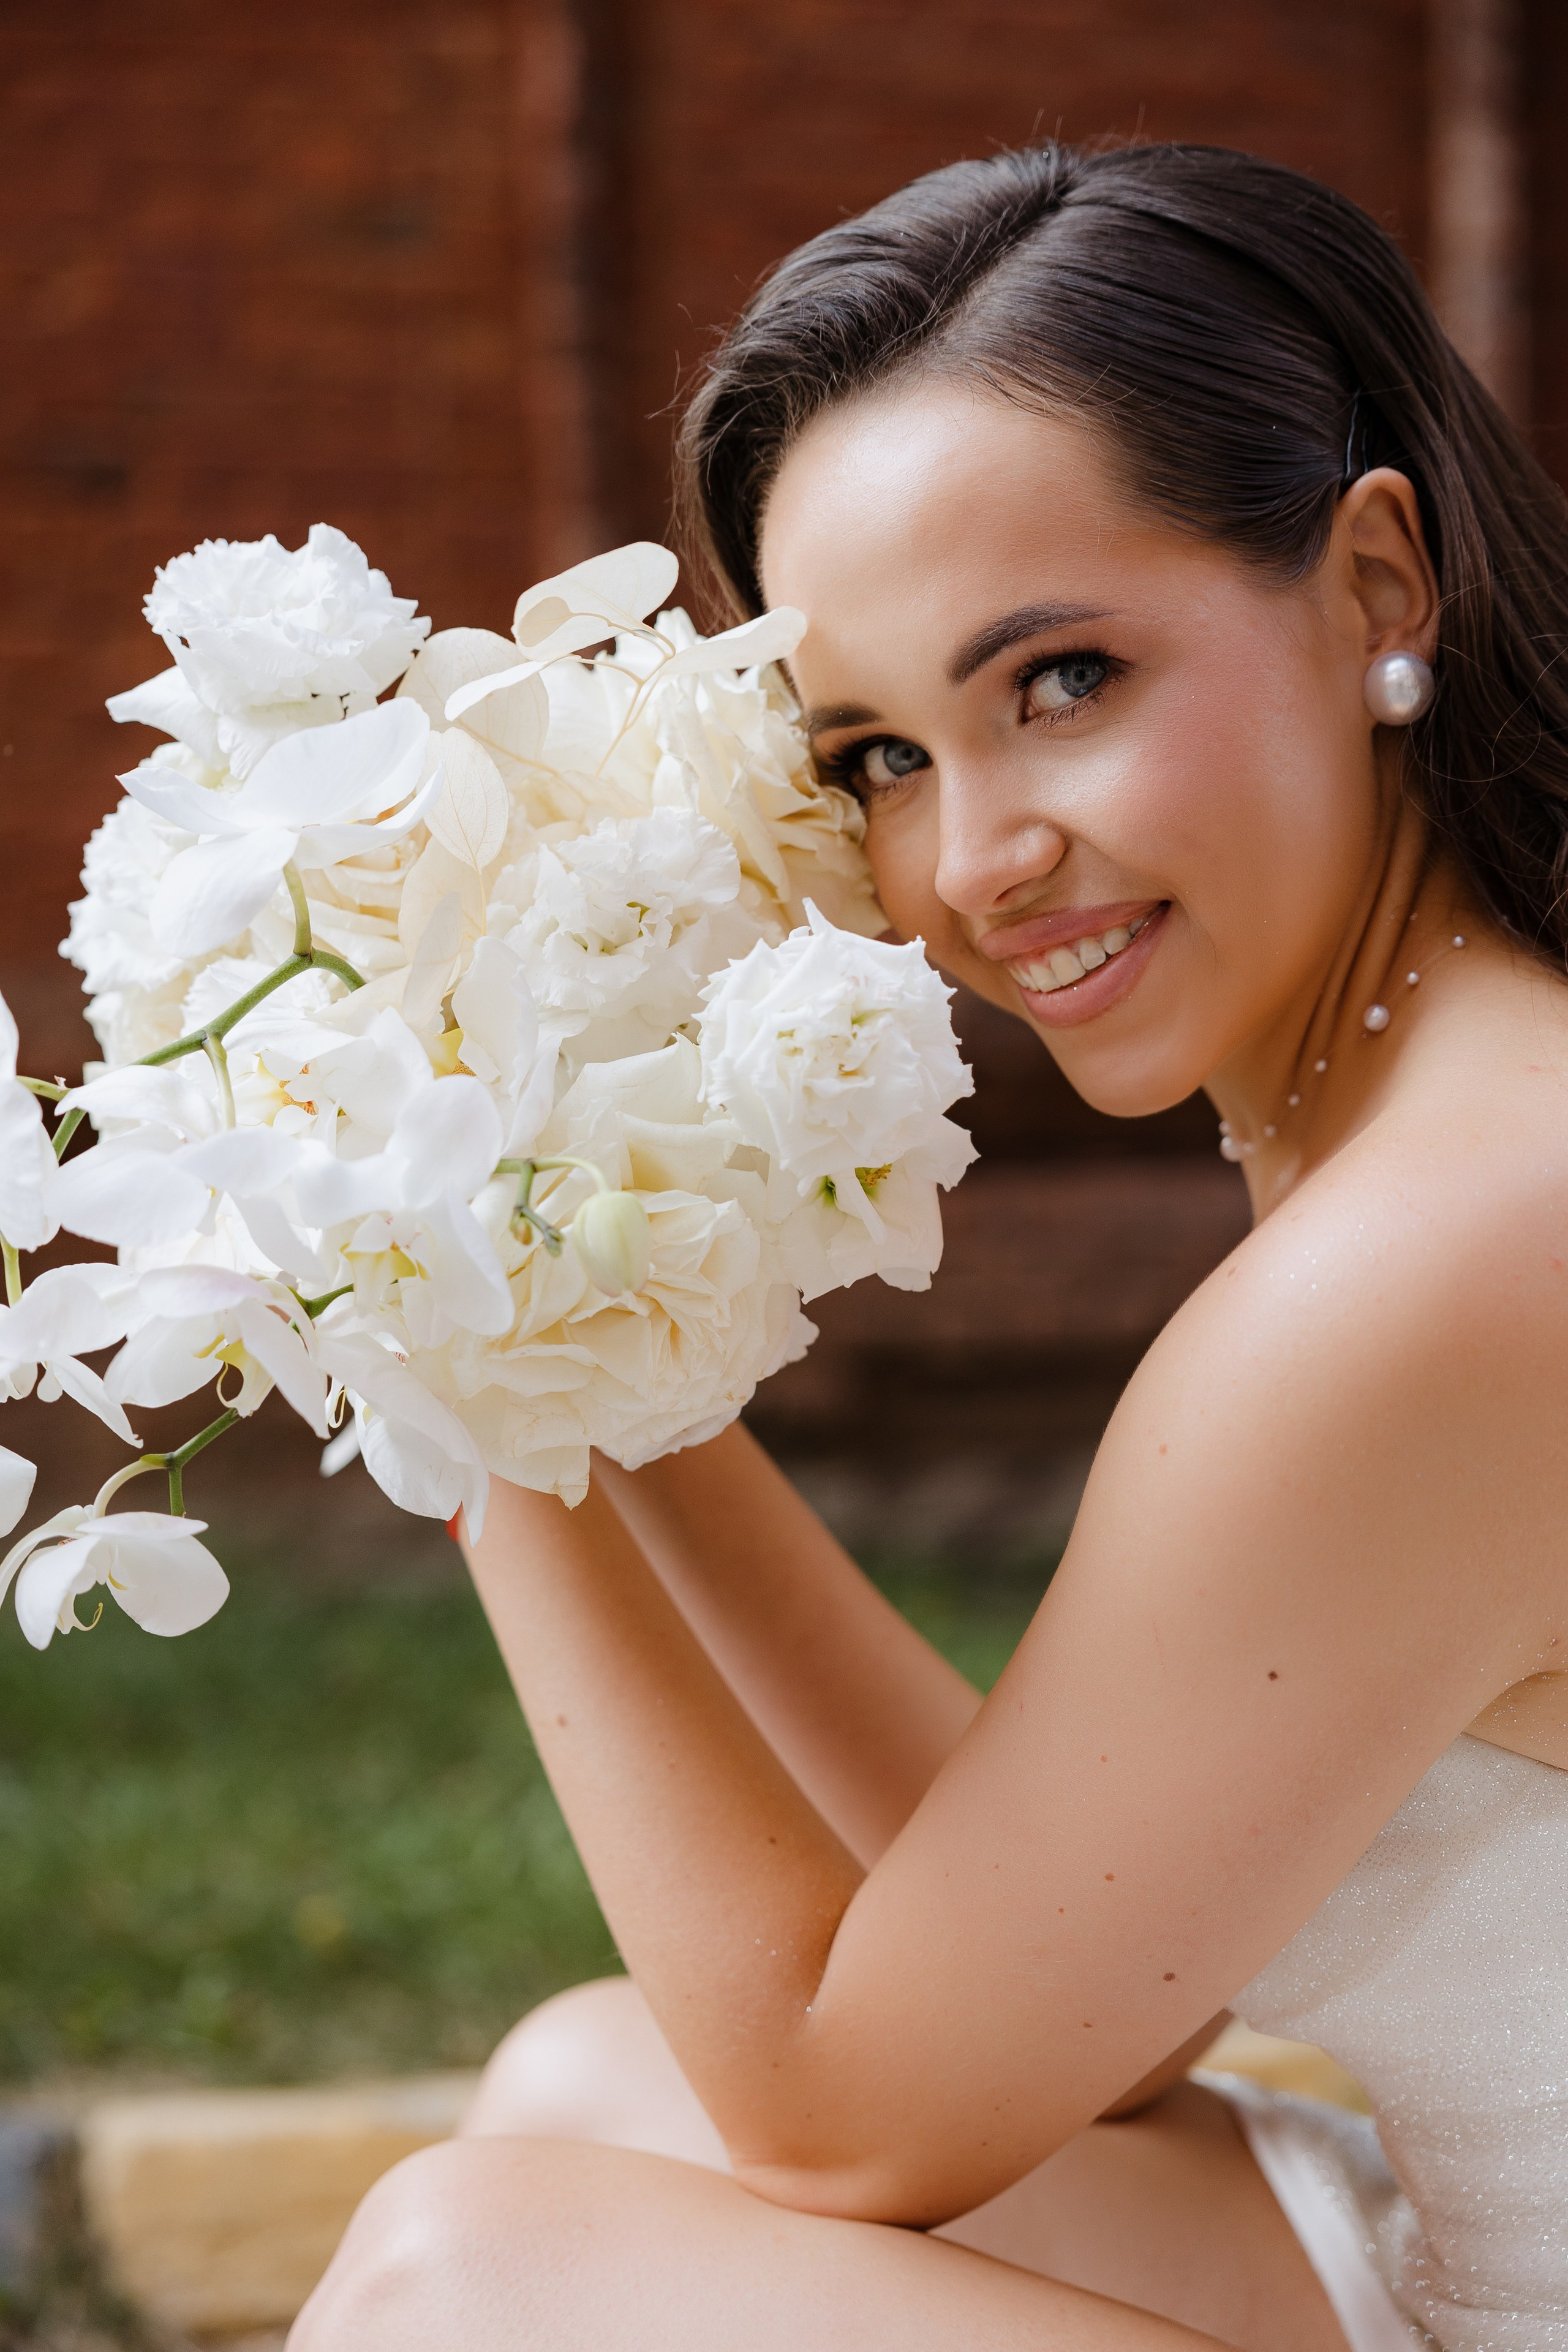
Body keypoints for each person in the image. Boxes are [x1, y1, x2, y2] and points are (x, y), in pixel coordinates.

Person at [292, 143, 1568, 2351]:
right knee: (585, 2087)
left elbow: (840, 2115)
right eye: (876, 752)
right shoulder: (1442, 1122)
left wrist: (422, 1296)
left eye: (1062, 680)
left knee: (476, 2277)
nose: (973, 861)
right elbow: (1099, 2009)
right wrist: (592, 1324)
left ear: (1378, 588)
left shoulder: (1441, 1260)